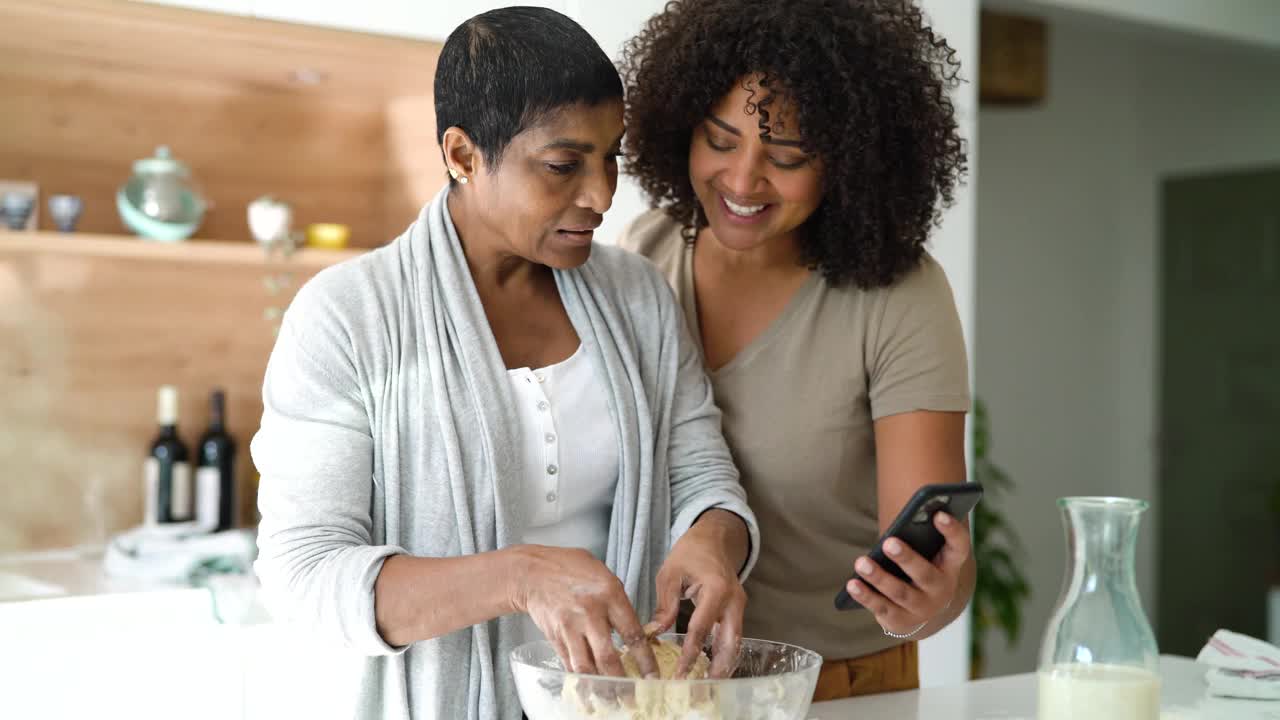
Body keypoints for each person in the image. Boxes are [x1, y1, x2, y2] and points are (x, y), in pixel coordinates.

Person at [251, 8, 758, 719]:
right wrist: (518, 577)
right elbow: (303, 578)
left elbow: (702, 473)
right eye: (562, 165)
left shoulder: (638, 296)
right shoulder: (347, 317)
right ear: (461, 156)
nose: (602, 195)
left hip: (624, 703)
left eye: (611, 156)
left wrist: (711, 541)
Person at [618, 0, 974, 700]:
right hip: (672, 678)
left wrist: (927, 600)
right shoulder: (647, 250)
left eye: (786, 158)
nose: (744, 180)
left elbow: (936, 573)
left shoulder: (900, 296)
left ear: (849, 161)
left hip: (841, 684)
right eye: (720, 141)